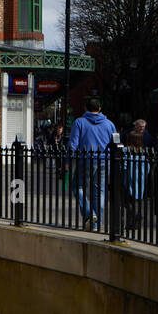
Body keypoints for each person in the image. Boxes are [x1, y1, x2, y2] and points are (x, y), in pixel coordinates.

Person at [69, 97, 116, 231]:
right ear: (100, 109)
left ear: (85, 108)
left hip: (86, 159)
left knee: (77, 187)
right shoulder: (109, 124)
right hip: (103, 160)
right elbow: (115, 143)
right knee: (99, 192)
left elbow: (73, 143)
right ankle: (96, 224)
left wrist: (67, 161)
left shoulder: (79, 122)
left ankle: (90, 214)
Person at [121, 131, 148, 231]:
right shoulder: (143, 152)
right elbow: (147, 168)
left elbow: (122, 166)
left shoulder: (125, 151)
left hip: (128, 179)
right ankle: (135, 220)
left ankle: (132, 220)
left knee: (127, 203)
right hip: (139, 180)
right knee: (136, 200)